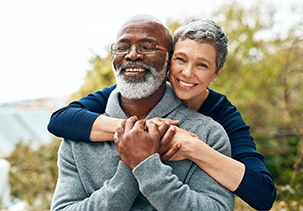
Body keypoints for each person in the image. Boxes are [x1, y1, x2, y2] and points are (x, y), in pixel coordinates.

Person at [48, 18, 276, 210]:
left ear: (216, 73)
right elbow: (60, 119)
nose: (187, 72)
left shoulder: (217, 125)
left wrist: (191, 149)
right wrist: (137, 137)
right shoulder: (83, 130)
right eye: (181, 60)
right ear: (170, 63)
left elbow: (262, 194)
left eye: (202, 65)